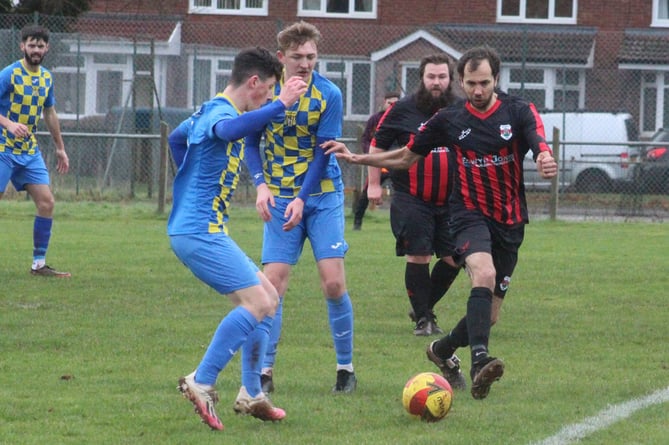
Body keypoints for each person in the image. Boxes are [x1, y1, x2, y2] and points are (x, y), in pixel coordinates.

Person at [323, 45, 558, 400]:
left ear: (496, 79)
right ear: (461, 82)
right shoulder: (449, 119)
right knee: (483, 273)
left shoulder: (518, 110)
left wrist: (544, 155)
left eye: (484, 82)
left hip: (509, 220)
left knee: (490, 317)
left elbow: (539, 140)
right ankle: (481, 361)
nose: (477, 91)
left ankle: (443, 349)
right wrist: (359, 157)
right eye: (470, 83)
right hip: (467, 214)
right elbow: (405, 156)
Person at [168, 46, 307, 430]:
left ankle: (250, 393)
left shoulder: (204, 109)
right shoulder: (221, 113)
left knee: (269, 298)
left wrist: (191, 184)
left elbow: (177, 141)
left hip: (201, 229)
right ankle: (201, 380)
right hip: (198, 232)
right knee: (259, 300)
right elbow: (229, 131)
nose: (268, 97)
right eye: (268, 90)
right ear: (254, 83)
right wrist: (280, 104)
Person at [244, 21, 357, 395]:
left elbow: (325, 155)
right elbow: (250, 143)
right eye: (297, 57)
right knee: (272, 285)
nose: (305, 63)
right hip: (278, 198)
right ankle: (265, 371)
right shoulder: (268, 93)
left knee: (334, 282)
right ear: (282, 58)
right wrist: (261, 186)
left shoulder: (329, 94)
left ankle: (345, 369)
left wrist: (301, 198)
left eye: (311, 56)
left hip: (321, 196)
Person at [366, 54, 463, 339]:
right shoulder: (402, 110)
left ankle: (423, 305)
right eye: (431, 77)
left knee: (454, 259)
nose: (436, 82)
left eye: (442, 77)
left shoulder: (461, 109)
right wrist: (373, 184)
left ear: (450, 79)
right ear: (421, 78)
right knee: (418, 255)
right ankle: (424, 319)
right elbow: (377, 146)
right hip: (412, 197)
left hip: (451, 201)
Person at [0, 25, 70, 277]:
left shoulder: (46, 78)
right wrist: (8, 124)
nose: (36, 49)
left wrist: (60, 148)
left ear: (47, 48)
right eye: (31, 44)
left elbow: (49, 112)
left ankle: (39, 265)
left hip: (28, 151)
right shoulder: (9, 74)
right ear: (22, 46)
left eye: (40, 45)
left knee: (47, 202)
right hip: (2, 148)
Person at [352, 91, 399, 230]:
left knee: (402, 194)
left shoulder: (401, 119)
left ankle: (400, 224)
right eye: (390, 103)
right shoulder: (374, 119)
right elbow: (366, 138)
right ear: (384, 102)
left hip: (395, 162)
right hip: (377, 163)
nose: (392, 106)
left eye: (395, 104)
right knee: (367, 191)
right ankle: (357, 222)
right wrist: (370, 155)